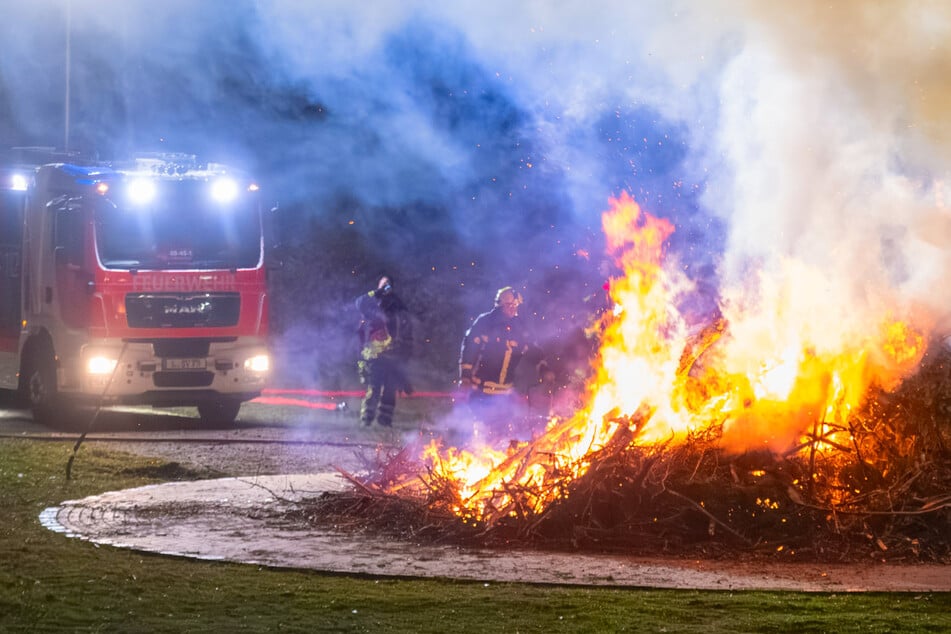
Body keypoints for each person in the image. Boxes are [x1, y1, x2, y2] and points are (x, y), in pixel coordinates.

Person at [458, 286, 533, 439]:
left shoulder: (519, 325)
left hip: (505, 393)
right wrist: (465, 376)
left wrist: (543, 367)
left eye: (515, 305)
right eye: (508, 305)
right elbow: (470, 347)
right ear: (499, 305)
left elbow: (531, 348)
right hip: (482, 390)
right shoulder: (485, 322)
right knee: (480, 435)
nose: (512, 309)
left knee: (504, 436)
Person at [355, 274, 413, 427]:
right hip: (375, 355)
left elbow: (407, 329)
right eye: (383, 283)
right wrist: (376, 292)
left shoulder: (398, 305)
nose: (386, 286)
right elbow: (359, 303)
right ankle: (366, 420)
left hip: (394, 355)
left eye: (389, 283)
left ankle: (384, 422)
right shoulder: (372, 306)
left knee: (390, 390)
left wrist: (406, 354)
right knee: (373, 388)